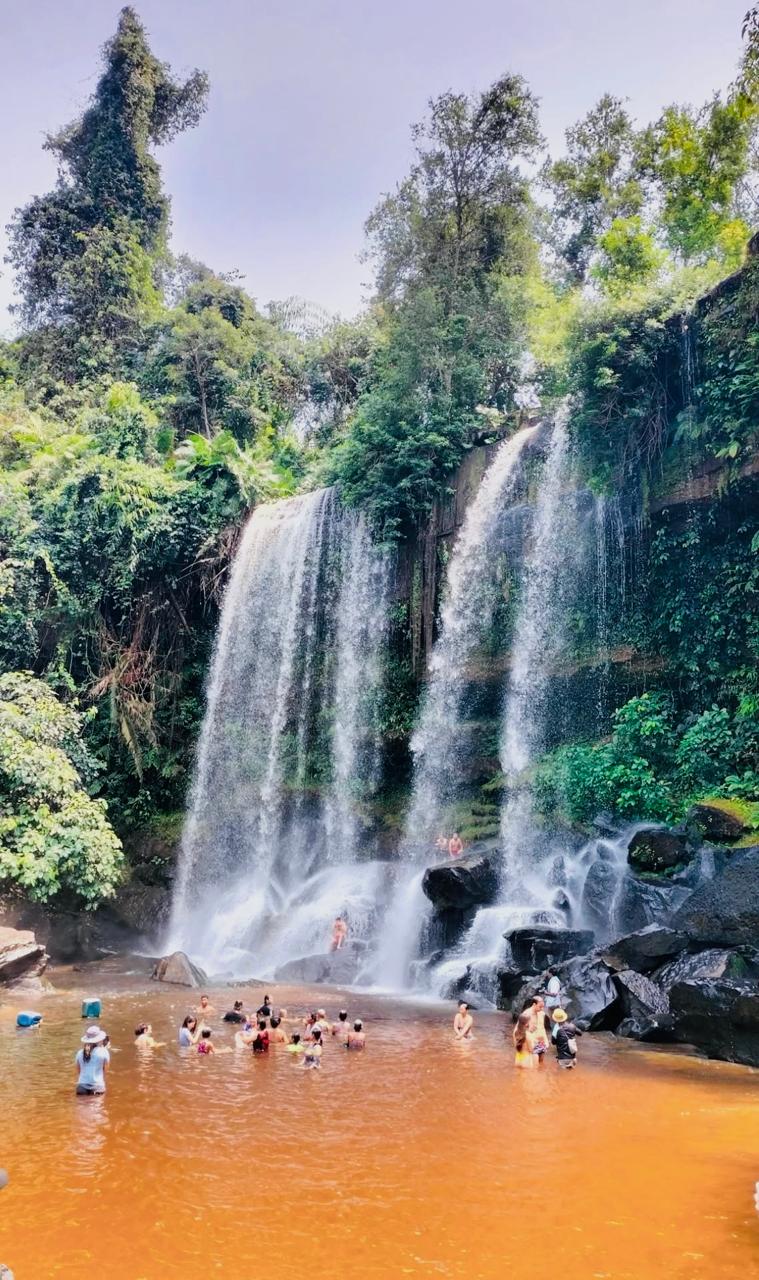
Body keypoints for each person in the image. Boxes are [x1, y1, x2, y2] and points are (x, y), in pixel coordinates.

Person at [75, 1026, 110, 1096]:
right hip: (98, 1086)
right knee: (97, 1107)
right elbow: (105, 1070)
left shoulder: (79, 1053)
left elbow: (78, 1070)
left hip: (81, 1086)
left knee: (81, 1106)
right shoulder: (104, 1052)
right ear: (99, 1040)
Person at [526, 995, 551, 1064]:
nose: (542, 1009)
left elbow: (542, 1027)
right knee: (535, 1066)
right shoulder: (526, 1014)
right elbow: (520, 1031)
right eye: (540, 1007)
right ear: (534, 1004)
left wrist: (546, 1040)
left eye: (543, 1007)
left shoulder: (542, 1014)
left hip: (542, 1042)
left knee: (541, 1064)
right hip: (532, 1043)